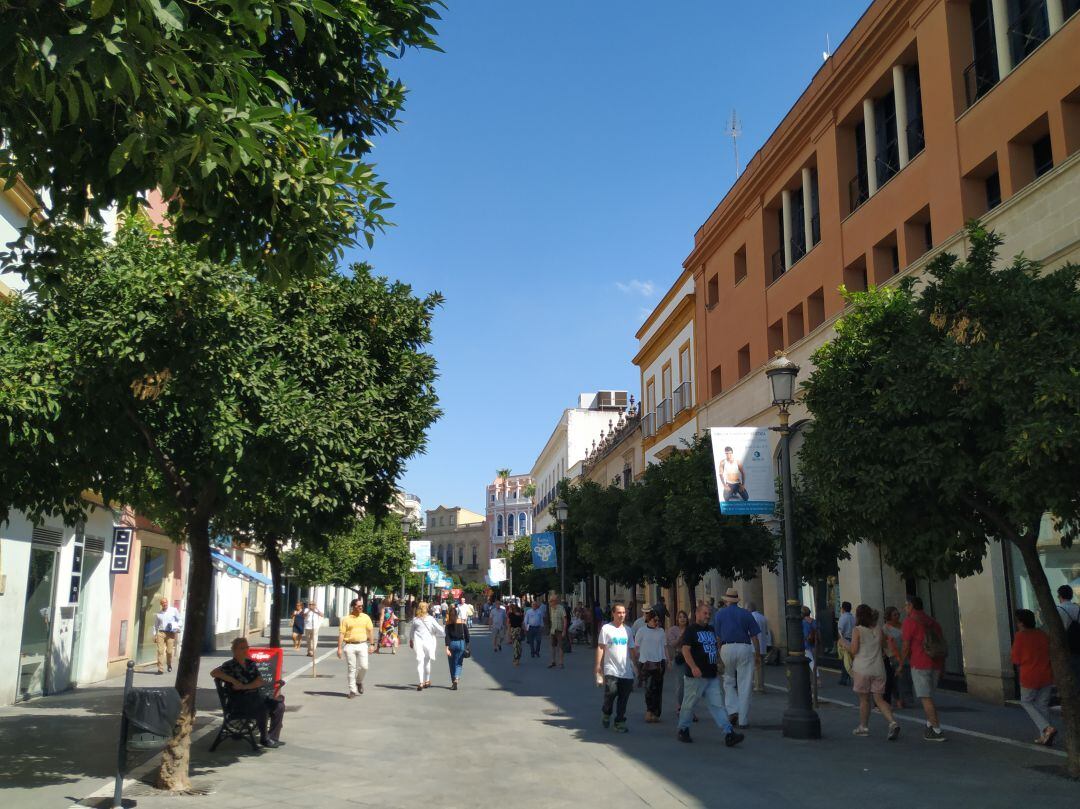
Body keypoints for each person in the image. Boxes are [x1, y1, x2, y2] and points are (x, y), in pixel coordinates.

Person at [677, 602, 744, 747]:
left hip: (711, 675)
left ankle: (728, 733)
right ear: (697, 614)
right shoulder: (691, 630)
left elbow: (714, 648)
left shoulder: (711, 630)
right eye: (705, 613)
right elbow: (685, 650)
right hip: (695, 676)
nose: (708, 616)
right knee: (689, 705)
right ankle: (683, 729)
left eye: (709, 614)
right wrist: (693, 667)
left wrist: (719, 663)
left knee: (717, 705)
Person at [211, 637, 284, 748]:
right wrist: (233, 680)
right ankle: (264, 738)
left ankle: (272, 737)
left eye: (247, 647)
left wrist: (245, 686)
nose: (245, 650)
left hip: (255, 696)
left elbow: (260, 681)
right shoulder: (229, 665)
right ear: (234, 650)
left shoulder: (251, 664)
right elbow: (214, 673)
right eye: (242, 648)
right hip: (239, 702)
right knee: (262, 706)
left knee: (279, 706)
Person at [847, 604, 901, 740]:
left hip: (862, 669)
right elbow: (884, 647)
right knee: (879, 699)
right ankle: (892, 722)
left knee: (864, 700)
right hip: (878, 668)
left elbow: (853, 650)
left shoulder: (857, 630)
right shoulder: (878, 629)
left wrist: (843, 643)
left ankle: (863, 727)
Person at [900, 596, 947, 742]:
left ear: (912, 606)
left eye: (906, 605)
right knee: (929, 696)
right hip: (936, 662)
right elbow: (941, 642)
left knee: (925, 698)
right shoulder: (933, 622)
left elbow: (906, 645)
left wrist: (901, 663)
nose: (905, 608)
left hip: (920, 662)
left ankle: (937, 730)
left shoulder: (909, 622)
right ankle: (929, 725)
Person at [712, 588, 760, 727]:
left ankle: (732, 710)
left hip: (726, 648)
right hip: (744, 647)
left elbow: (718, 637)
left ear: (726, 600)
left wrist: (718, 654)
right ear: (737, 600)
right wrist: (757, 654)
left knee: (728, 681)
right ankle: (743, 719)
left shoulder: (720, 615)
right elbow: (754, 636)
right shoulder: (746, 614)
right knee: (744, 684)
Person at [1011, 608, 1056, 745]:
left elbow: (1016, 659)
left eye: (1018, 621)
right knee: (1042, 705)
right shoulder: (1042, 634)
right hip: (1046, 673)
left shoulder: (1020, 636)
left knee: (1026, 702)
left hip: (1029, 674)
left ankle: (1046, 728)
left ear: (1021, 622)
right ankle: (1044, 736)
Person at [595, 603, 636, 733]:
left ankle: (619, 722)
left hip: (626, 670)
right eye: (619, 612)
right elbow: (601, 647)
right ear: (613, 613)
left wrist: (636, 665)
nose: (621, 615)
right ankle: (606, 712)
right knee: (611, 692)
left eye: (623, 612)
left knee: (624, 698)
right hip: (611, 668)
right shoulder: (606, 629)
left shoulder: (628, 630)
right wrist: (598, 666)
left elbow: (632, 649)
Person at [634, 609, 668, 722]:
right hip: (646, 663)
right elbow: (636, 647)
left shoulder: (661, 631)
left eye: (659, 620)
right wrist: (635, 661)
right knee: (649, 688)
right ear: (649, 619)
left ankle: (656, 713)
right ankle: (649, 711)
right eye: (655, 620)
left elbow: (664, 647)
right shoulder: (642, 631)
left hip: (659, 663)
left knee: (658, 689)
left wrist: (668, 660)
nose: (657, 622)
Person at [337, 598, 375, 698]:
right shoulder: (346, 619)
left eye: (362, 606)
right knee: (351, 669)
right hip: (349, 645)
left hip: (362, 644)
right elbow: (341, 634)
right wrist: (339, 648)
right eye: (359, 606)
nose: (361, 608)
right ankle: (352, 690)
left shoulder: (366, 617)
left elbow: (370, 631)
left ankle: (359, 681)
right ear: (353, 607)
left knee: (364, 666)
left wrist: (372, 644)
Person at [408, 601, 445, 690]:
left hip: (418, 642)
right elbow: (439, 629)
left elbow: (412, 632)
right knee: (427, 661)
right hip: (428, 642)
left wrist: (411, 640)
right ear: (427, 608)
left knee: (420, 662)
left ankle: (421, 682)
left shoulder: (415, 619)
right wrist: (442, 634)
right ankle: (427, 681)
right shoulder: (431, 619)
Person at [882, 606, 912, 709]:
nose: (897, 616)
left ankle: (905, 698)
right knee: (897, 679)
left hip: (906, 655)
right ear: (889, 616)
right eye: (894, 614)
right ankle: (898, 699)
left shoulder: (902, 625)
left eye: (898, 614)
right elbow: (884, 643)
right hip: (893, 656)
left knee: (906, 678)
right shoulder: (886, 628)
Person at [667, 610, 690, 717]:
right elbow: (672, 644)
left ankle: (689, 708)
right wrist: (681, 637)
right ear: (677, 619)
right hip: (679, 658)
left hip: (691, 659)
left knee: (691, 685)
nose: (682, 619)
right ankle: (681, 706)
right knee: (681, 684)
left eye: (684, 617)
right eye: (680, 617)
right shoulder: (673, 630)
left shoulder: (691, 629)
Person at [1056, 584, 1080, 680]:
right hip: (1078, 645)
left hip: (1064, 645)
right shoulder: (1078, 609)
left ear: (1060, 596)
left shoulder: (1057, 609)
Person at [445, 605, 471, 690]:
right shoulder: (462, 622)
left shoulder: (448, 624)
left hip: (452, 643)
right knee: (459, 663)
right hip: (461, 644)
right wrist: (467, 644)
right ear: (457, 614)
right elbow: (467, 635)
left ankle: (453, 681)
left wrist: (447, 648)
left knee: (452, 663)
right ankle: (456, 679)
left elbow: (447, 637)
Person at [153, 597, 182, 675]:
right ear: (161, 604)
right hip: (161, 633)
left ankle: (169, 664)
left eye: (165, 602)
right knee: (160, 651)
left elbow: (179, 619)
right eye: (162, 603)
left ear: (167, 602)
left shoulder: (173, 610)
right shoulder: (159, 614)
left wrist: (177, 626)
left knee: (169, 651)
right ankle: (160, 669)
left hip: (170, 633)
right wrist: (155, 634)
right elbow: (155, 625)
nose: (164, 604)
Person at [748, 602, 771, 693]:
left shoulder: (751, 617)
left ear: (749, 609)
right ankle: (761, 684)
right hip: (763, 645)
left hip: (754, 646)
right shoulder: (763, 617)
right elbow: (766, 632)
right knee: (761, 667)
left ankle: (758, 686)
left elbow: (750, 633)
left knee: (756, 666)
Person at [837, 601, 855, 687]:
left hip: (845, 639)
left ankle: (844, 679)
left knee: (845, 660)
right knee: (851, 659)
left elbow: (840, 631)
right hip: (853, 639)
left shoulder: (843, 618)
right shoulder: (853, 618)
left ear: (842, 609)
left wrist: (841, 640)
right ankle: (847, 677)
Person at [549, 596, 568, 669]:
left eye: (551, 601)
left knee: (560, 647)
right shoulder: (551, 609)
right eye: (550, 601)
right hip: (553, 630)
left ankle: (561, 663)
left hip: (559, 630)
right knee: (553, 646)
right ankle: (553, 661)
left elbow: (565, 620)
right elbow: (551, 620)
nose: (550, 603)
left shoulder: (561, 608)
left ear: (555, 601)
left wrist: (564, 630)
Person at [801, 606, 820, 674]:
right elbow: (818, 632)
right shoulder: (814, 621)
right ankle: (816, 678)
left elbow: (803, 634)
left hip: (806, 644)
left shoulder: (803, 623)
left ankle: (817, 678)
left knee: (811, 662)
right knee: (814, 661)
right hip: (814, 643)